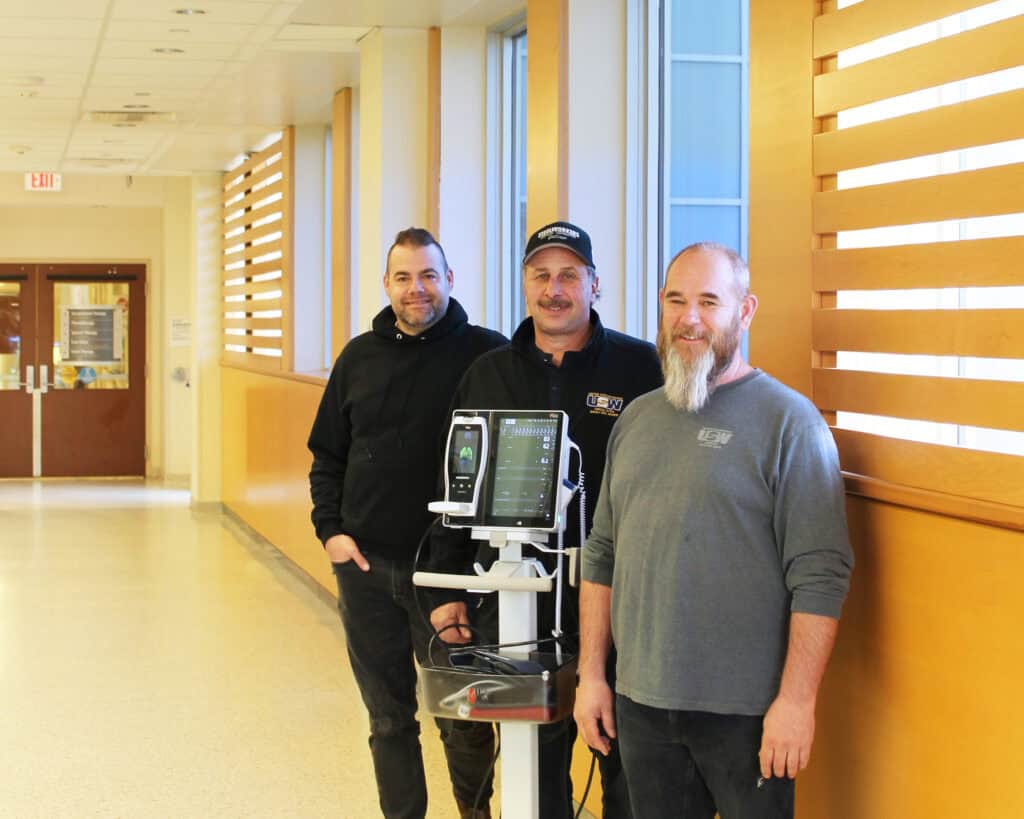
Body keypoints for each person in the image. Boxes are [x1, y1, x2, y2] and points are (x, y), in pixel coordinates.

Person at [574, 242, 855, 819]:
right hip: (641, 705)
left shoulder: (790, 424)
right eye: (677, 300)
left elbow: (821, 576)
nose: (690, 318)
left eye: (709, 301)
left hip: (748, 714)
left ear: (745, 311)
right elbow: (601, 553)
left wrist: (797, 702)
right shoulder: (637, 420)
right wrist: (591, 677)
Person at [426, 221, 664, 818]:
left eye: (568, 276)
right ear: (525, 284)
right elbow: (457, 482)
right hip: (519, 605)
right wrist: (446, 581)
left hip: (621, 604)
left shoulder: (641, 371)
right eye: (541, 276)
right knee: (536, 766)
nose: (554, 289)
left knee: (629, 765)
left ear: (594, 284)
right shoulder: (488, 373)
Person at [308, 227, 507, 819]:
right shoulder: (358, 357)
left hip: (451, 576)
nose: (416, 289)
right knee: (388, 718)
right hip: (367, 570)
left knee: (462, 716)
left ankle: (475, 812)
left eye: (428, 275)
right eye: (403, 277)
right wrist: (331, 532)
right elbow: (328, 454)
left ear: (450, 280)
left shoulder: (487, 356)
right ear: (386, 284)